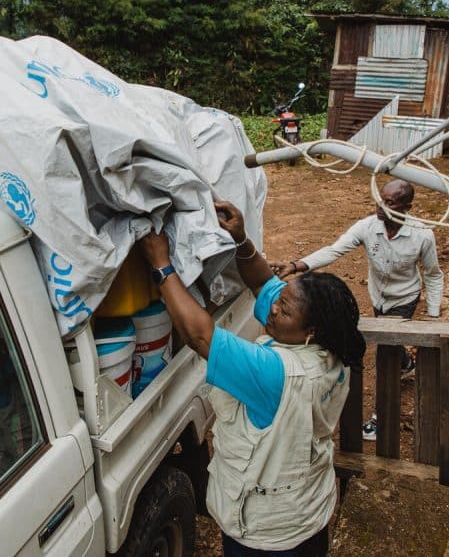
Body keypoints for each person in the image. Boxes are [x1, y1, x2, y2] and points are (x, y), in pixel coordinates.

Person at [139, 199, 365, 556]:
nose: (273, 308)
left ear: (312, 329)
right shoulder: (336, 348)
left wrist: (161, 265)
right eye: (281, 300)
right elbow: (264, 282)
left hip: (267, 532)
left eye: (285, 309)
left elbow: (200, 336)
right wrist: (242, 240)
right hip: (308, 509)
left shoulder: (274, 373)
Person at [272, 178, 443, 381]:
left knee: (385, 351)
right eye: (380, 199)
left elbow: (433, 275)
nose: (381, 205)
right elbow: (334, 250)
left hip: (404, 298)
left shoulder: (422, 235)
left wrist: (433, 316)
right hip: (378, 295)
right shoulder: (367, 227)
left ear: (407, 207)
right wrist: (293, 266)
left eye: (390, 202)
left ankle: (383, 408)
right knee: (390, 341)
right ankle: (406, 364)